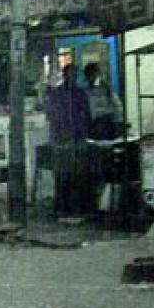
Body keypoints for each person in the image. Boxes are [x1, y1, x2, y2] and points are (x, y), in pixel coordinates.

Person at [43, 64, 93, 215]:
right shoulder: (57, 94)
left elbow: (87, 115)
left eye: (75, 75)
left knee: (77, 174)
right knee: (63, 174)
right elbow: (52, 115)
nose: (73, 78)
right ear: (65, 76)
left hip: (77, 138)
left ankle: (75, 206)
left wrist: (84, 133)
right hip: (61, 139)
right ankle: (62, 206)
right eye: (71, 75)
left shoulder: (80, 94)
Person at [83, 62, 121, 140]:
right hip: (92, 126)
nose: (93, 76)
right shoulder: (84, 91)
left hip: (106, 123)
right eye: (90, 74)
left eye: (95, 73)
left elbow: (117, 106)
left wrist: (117, 122)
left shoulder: (107, 88)